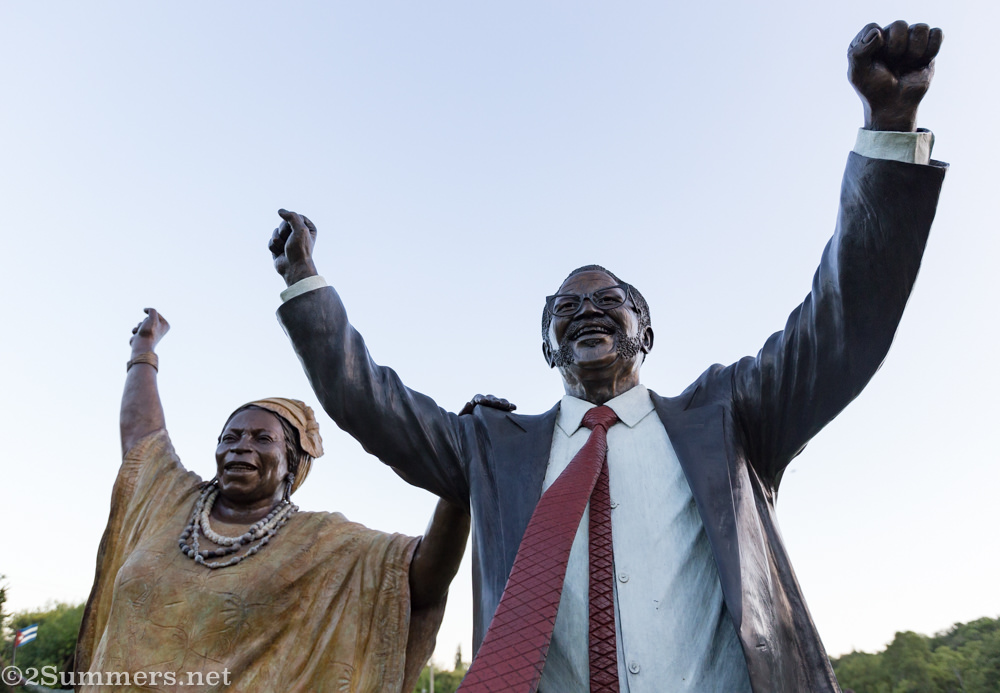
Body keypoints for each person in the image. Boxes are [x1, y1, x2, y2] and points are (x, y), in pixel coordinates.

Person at [270, 21, 947, 693]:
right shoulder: (491, 450)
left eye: (610, 300)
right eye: (565, 308)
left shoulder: (731, 416)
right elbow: (369, 401)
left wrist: (889, 125)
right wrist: (306, 283)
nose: (587, 309)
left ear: (645, 331)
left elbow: (844, 318)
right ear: (546, 347)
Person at [74, 309, 471, 693]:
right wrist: (143, 352)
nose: (240, 447)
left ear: (290, 465)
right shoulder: (170, 501)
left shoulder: (321, 542)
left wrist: (459, 474)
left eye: (262, 439)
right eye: (231, 437)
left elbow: (417, 578)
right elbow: (142, 433)